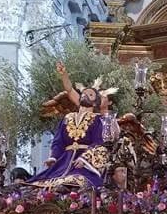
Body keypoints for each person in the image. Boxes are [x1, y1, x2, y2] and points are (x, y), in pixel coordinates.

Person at [25, 62, 116, 191]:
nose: (85, 95)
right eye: (83, 93)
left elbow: (99, 143)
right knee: (41, 183)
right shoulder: (68, 118)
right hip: (63, 161)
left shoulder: (98, 120)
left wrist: (85, 159)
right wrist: (53, 157)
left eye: (90, 95)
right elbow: (58, 141)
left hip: (82, 164)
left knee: (76, 181)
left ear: (95, 102)